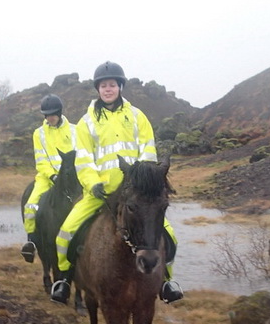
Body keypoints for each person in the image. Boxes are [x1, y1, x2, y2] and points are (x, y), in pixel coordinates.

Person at [51, 61, 183, 304]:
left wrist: (142, 181)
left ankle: (166, 281)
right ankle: (64, 280)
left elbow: (148, 150)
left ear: (120, 86)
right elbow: (83, 159)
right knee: (64, 234)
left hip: (135, 192)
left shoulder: (137, 116)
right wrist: (93, 184)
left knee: (169, 236)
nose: (108, 89)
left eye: (112, 84)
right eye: (103, 85)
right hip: (100, 192)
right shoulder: (85, 123)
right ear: (98, 89)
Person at [20, 94, 76, 263]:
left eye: (53, 114)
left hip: (72, 177)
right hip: (48, 177)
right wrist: (52, 175)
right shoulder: (39, 134)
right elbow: (41, 160)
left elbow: (81, 155)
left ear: (59, 112)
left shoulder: (75, 130)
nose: (50, 118)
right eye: (47, 115)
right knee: (30, 206)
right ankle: (31, 242)